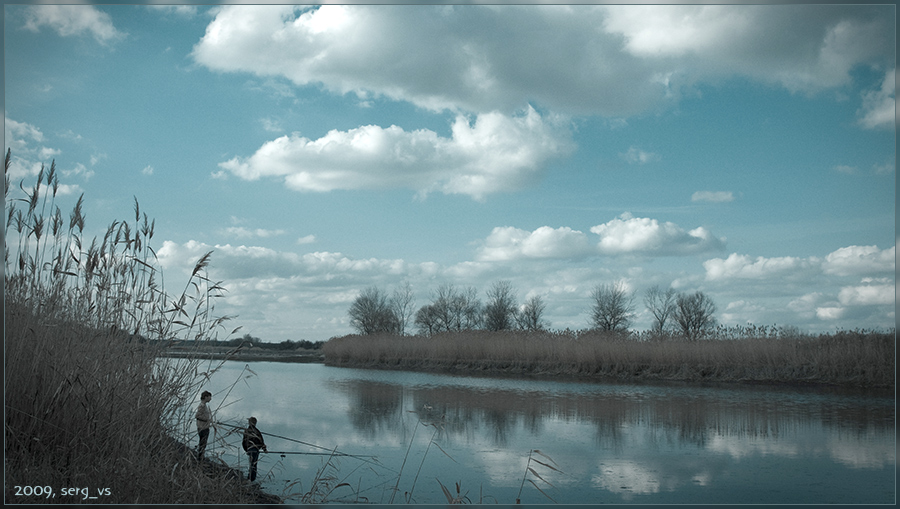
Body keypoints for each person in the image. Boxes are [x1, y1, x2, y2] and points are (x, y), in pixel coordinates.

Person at [242, 416, 267, 482]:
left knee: (251, 463)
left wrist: (246, 450)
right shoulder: (257, 432)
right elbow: (262, 442)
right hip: (255, 450)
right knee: (254, 464)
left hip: (250, 450)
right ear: (255, 423)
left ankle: (250, 478)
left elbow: (244, 442)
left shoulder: (246, 431)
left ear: (249, 423)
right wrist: (265, 450)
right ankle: (252, 479)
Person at [195, 391, 213, 460]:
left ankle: (201, 456)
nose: (210, 399)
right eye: (209, 397)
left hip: (204, 427)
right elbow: (197, 416)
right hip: (202, 428)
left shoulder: (204, 405)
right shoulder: (202, 406)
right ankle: (200, 457)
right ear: (205, 397)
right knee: (203, 443)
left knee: (203, 443)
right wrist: (206, 419)